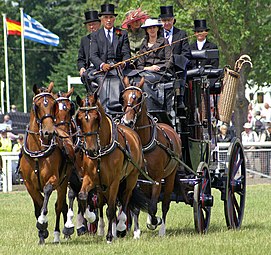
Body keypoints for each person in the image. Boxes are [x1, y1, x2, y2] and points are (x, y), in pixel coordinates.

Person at [90, 3, 131, 116]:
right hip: (102, 70)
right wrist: (102, 65)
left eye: (111, 17)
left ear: (114, 19)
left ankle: (120, 110)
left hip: (118, 69)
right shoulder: (95, 35)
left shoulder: (122, 34)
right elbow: (93, 55)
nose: (108, 20)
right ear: (102, 20)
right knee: (101, 82)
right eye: (106, 17)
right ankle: (103, 109)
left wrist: (123, 63)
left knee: (121, 82)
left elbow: (127, 54)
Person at [135, 18, 173, 125]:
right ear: (146, 30)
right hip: (146, 71)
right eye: (149, 28)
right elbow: (140, 65)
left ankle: (153, 107)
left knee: (146, 79)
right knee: (136, 79)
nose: (152, 30)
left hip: (161, 73)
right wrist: (149, 68)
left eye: (154, 27)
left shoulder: (164, 42)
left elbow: (169, 61)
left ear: (157, 29)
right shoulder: (144, 44)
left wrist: (158, 67)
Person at [159, 5, 191, 109]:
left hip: (176, 68)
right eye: (164, 20)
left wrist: (174, 60)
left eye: (169, 20)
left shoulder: (181, 34)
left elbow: (186, 53)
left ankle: (180, 98)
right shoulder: (157, 34)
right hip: (161, 66)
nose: (166, 23)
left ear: (173, 20)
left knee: (182, 69)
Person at [77, 10, 101, 91]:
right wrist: (81, 67)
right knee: (86, 75)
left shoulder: (104, 38)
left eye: (94, 24)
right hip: (89, 69)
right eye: (89, 25)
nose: (92, 27)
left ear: (99, 24)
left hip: (101, 67)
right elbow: (80, 59)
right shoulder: (84, 40)